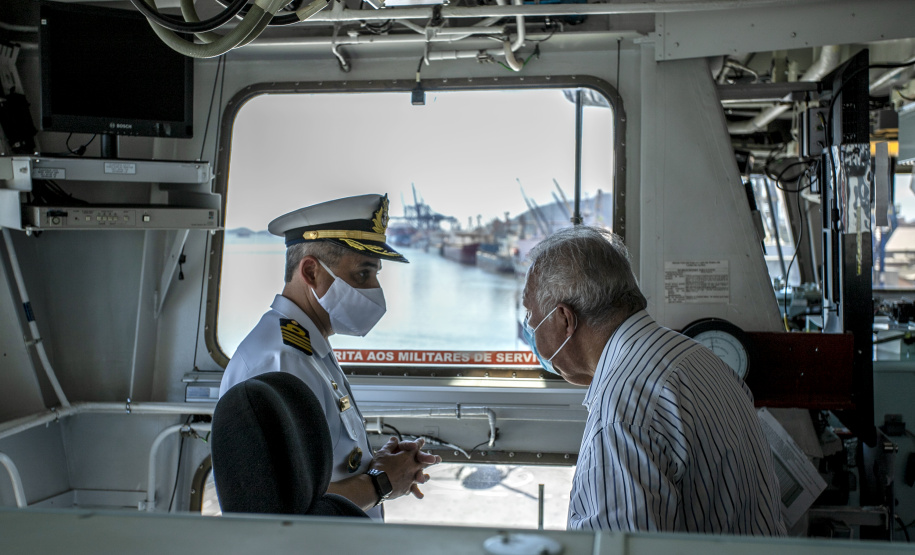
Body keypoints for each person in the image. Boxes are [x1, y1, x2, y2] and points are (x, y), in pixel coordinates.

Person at [521, 225, 785, 534]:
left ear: (565, 318)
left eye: (531, 316)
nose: (530, 328)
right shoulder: (697, 357)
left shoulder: (624, 413)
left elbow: (619, 549)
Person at [219, 193, 441, 519]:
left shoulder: (307, 346)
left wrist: (378, 465)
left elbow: (323, 470)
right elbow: (284, 507)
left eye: (375, 275)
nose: (374, 289)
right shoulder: (281, 361)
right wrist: (382, 483)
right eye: (362, 274)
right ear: (311, 272)